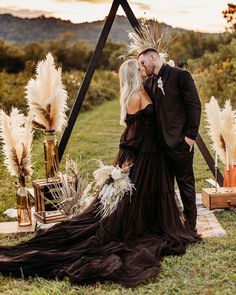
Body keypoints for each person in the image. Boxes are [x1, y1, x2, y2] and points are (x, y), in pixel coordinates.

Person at [0, 59, 201, 288]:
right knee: (133, 199)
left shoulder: (144, 87)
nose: (144, 68)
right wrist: (125, 162)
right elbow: (132, 133)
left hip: (155, 154)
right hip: (143, 155)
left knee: (152, 193)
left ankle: (154, 221)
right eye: (140, 67)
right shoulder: (134, 95)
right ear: (135, 72)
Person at [138, 49, 201, 232]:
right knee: (163, 187)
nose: (142, 66)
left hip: (181, 143)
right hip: (159, 146)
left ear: (153, 57)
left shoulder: (181, 76)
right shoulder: (149, 82)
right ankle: (168, 223)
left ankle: (190, 226)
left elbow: (194, 106)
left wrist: (189, 137)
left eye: (142, 62)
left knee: (186, 185)